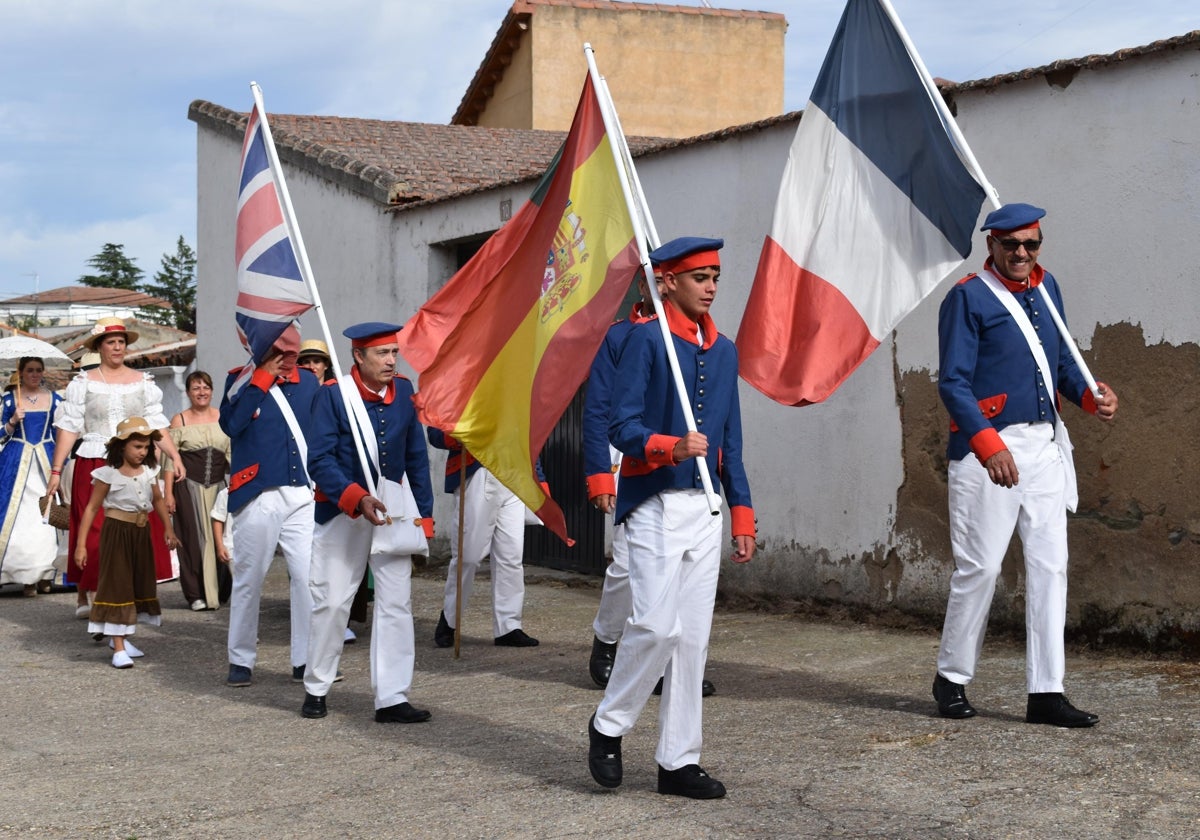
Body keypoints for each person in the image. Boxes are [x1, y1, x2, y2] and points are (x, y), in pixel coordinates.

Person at [932, 203, 1119, 728]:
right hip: (986, 447)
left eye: (1030, 244)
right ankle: (951, 676)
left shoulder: (1048, 288)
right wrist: (989, 445)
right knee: (981, 567)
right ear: (990, 244)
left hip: (1044, 447)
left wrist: (1090, 396)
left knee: (1050, 568)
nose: (1021, 253)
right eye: (1010, 244)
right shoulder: (968, 297)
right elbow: (953, 382)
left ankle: (1046, 692)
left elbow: (1059, 365)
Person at [587, 237, 755, 799]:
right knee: (657, 627)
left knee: (692, 642)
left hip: (705, 507)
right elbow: (619, 424)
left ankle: (678, 761)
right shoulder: (643, 339)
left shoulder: (726, 350)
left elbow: (731, 438)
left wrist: (742, 515)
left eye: (715, 277)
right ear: (668, 282)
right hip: (655, 500)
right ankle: (608, 724)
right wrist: (667, 446)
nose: (710, 287)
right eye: (699, 277)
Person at [584, 271, 716, 698]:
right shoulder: (621, 336)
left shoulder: (697, 338)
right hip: (631, 457)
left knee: (679, 571)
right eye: (651, 282)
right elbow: (598, 409)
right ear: (643, 288)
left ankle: (674, 667)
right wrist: (600, 473)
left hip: (684, 465)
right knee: (625, 566)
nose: (660, 289)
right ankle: (606, 638)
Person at [302, 322, 435, 723]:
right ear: (358, 358)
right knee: (332, 601)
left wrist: (424, 516)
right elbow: (319, 460)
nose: (392, 361)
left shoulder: (405, 393)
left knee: (396, 603)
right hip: (344, 511)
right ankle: (317, 685)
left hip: (393, 509)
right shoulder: (333, 396)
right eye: (383, 353)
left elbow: (416, 457)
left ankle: (392, 697)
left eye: (395, 352)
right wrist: (356, 498)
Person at [45, 318, 184, 618]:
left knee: (135, 529)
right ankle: (96, 598)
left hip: (134, 464)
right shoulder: (83, 383)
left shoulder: (142, 383)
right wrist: (56, 471)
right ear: (99, 347)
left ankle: (126, 598)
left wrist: (174, 455)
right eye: (111, 342)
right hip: (94, 460)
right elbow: (69, 428)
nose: (118, 346)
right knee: (95, 531)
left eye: (122, 341)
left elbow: (157, 424)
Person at [219, 343, 319, 687]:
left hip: (303, 493)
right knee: (250, 578)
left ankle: (305, 659)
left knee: (307, 578)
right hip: (258, 491)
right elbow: (232, 425)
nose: (289, 351)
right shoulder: (240, 380)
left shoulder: (309, 382)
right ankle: (241, 659)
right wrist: (262, 379)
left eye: (293, 344)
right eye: (281, 345)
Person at [75, 417, 180, 668]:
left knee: (135, 583)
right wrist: (80, 545)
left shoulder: (149, 472)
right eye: (137, 447)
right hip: (117, 532)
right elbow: (91, 508)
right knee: (117, 584)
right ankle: (118, 647)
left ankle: (120, 638)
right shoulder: (107, 474)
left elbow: (157, 501)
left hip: (140, 532)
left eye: (146, 448)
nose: (143, 453)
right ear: (122, 447)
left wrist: (168, 529)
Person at [429, 432, 545, 649]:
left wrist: (539, 477)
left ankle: (508, 627)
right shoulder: (457, 395)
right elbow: (435, 433)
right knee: (469, 556)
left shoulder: (518, 396)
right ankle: (450, 619)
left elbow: (528, 432)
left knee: (511, 556)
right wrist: (460, 436)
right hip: (478, 471)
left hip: (515, 472)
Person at [166, 371, 231, 611]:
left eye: (205, 387)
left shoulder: (223, 417)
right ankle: (195, 594)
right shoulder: (179, 420)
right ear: (188, 392)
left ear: (212, 390)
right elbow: (169, 462)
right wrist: (169, 493)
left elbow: (233, 454)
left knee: (221, 539)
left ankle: (220, 590)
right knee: (192, 540)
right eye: (196, 388)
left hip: (218, 487)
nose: (201, 392)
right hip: (188, 487)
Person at [0, 357, 64, 594]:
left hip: (47, 461)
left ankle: (46, 573)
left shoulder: (56, 400)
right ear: (21, 372)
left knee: (48, 519)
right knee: (19, 519)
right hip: (15, 462)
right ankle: (25, 575)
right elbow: (0, 434)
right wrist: (12, 421)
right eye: (30, 370)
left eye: (38, 370)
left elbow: (61, 434)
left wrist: (61, 464)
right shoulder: (9, 401)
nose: (35, 374)